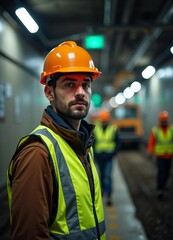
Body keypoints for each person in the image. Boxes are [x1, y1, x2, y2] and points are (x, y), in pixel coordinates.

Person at [7, 41, 106, 239]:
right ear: (49, 92)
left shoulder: (83, 144)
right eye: (69, 84)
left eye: (86, 84)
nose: (80, 92)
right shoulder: (38, 152)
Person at [93, 109, 120, 206]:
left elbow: (118, 143)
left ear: (108, 120)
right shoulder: (96, 129)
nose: (104, 122)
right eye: (102, 121)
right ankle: (103, 192)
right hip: (99, 157)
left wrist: (113, 154)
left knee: (107, 176)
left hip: (109, 157)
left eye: (105, 121)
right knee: (101, 176)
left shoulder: (113, 129)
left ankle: (109, 196)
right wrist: (95, 155)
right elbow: (92, 143)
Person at [147, 110, 173, 200]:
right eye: (162, 121)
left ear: (167, 120)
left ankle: (163, 186)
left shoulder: (171, 129)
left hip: (169, 156)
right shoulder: (156, 130)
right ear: (160, 121)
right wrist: (150, 152)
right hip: (160, 156)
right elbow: (151, 142)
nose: (163, 122)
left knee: (167, 172)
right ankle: (159, 189)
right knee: (161, 172)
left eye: (164, 120)